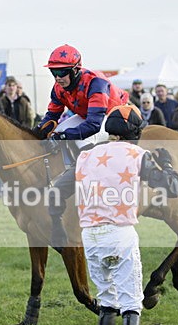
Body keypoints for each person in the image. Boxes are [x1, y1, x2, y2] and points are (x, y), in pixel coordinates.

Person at [73, 104, 178, 325]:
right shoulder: (137, 155)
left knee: (107, 299)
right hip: (120, 234)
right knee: (132, 303)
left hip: (90, 235)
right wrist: (166, 164)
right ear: (135, 132)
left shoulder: (86, 155)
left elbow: (59, 187)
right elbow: (173, 188)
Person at [35, 44, 129, 249]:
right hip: (88, 115)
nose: (57, 77)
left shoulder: (96, 83)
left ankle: (95, 189)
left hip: (114, 115)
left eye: (62, 72)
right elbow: (52, 116)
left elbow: (94, 125)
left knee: (80, 139)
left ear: (76, 70)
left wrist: (62, 136)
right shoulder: (58, 88)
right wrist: (39, 131)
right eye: (53, 72)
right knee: (61, 128)